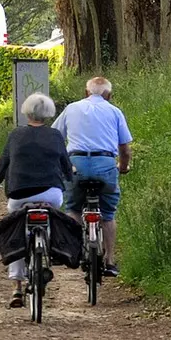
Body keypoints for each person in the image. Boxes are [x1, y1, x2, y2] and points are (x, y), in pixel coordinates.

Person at [0, 92, 70, 307]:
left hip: (19, 195)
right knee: (52, 216)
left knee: (17, 233)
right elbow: (65, 165)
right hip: (50, 194)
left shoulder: (15, 135)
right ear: (48, 113)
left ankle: (17, 287)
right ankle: (50, 248)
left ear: (26, 111)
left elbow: (3, 164)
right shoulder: (55, 136)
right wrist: (69, 176)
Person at [55, 76, 131, 278]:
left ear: (85, 92)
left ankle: (74, 251)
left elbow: (55, 138)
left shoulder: (71, 109)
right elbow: (124, 148)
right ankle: (110, 261)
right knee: (107, 212)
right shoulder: (115, 111)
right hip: (105, 165)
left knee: (72, 208)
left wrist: (64, 162)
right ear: (109, 95)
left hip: (76, 165)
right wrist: (123, 167)